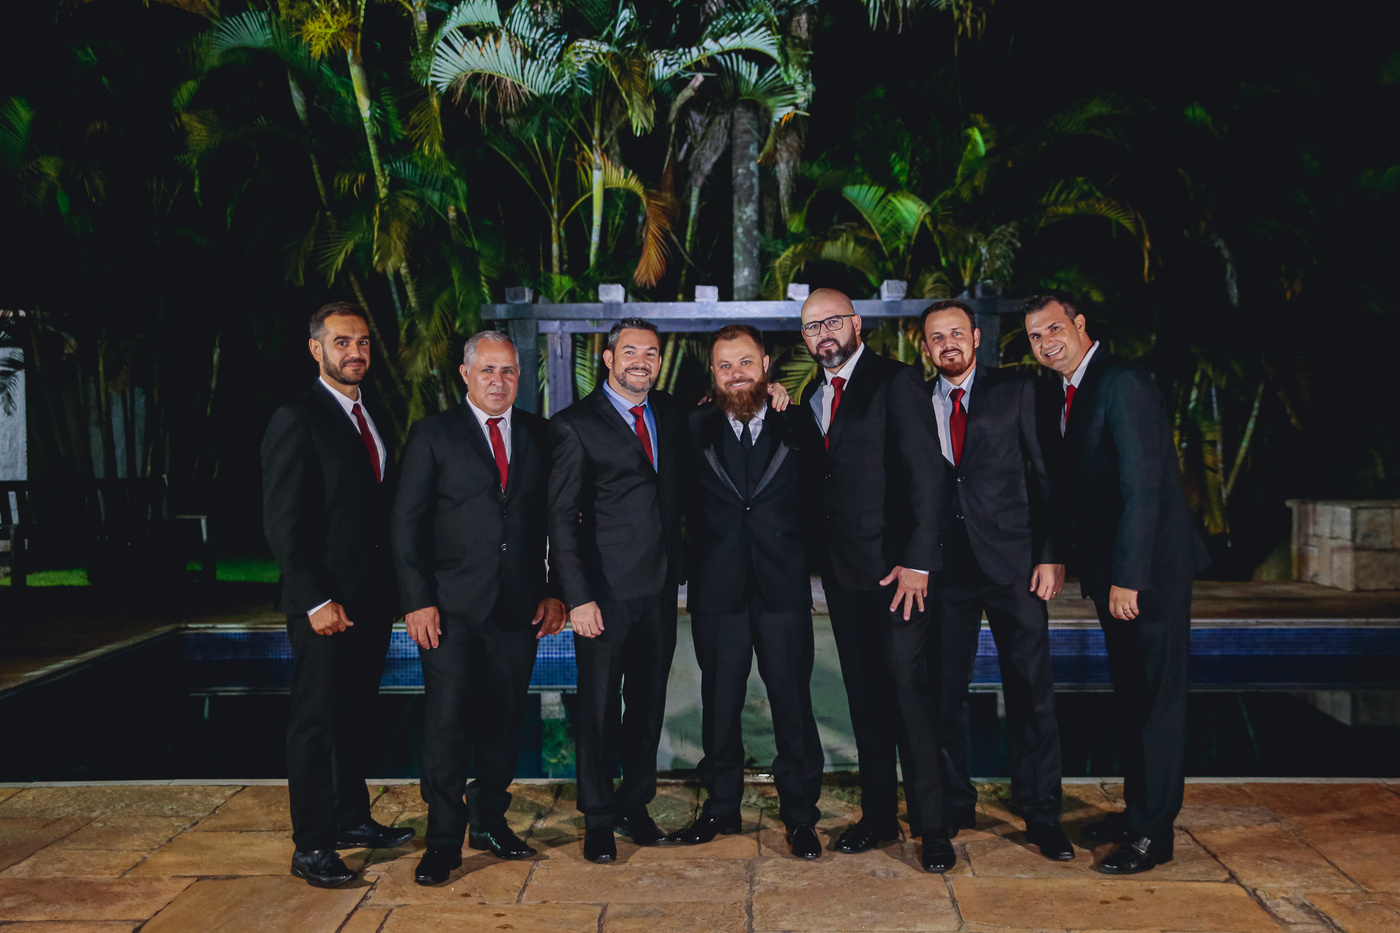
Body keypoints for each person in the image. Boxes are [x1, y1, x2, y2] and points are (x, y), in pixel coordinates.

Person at [1023, 293, 1210, 875]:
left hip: (1149, 573)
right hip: (1114, 574)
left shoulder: (1122, 382)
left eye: (1054, 328)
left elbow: (1143, 487)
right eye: (1035, 336)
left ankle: (1154, 834)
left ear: (1080, 325)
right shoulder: (1069, 391)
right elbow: (1072, 486)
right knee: (1132, 697)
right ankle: (1137, 813)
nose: (1046, 342)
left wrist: (1130, 577)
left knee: (1156, 703)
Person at [389, 330, 566, 886]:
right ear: (465, 374)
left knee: (504, 723)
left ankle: (490, 821)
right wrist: (417, 600)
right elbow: (405, 525)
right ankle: (443, 841)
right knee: (447, 726)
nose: (498, 380)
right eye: (487, 370)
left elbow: (558, 520)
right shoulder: (432, 434)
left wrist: (555, 590)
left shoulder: (539, 434)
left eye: (508, 370)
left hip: (518, 608)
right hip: (450, 610)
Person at [795, 288, 952, 872]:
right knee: (864, 699)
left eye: (832, 322)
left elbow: (928, 477)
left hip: (898, 575)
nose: (823, 334)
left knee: (909, 697)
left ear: (856, 324)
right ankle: (880, 817)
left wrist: (918, 562)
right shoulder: (812, 396)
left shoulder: (897, 381)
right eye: (812, 327)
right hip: (844, 575)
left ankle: (933, 829)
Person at [261, 301, 414, 888]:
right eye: (342, 342)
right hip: (325, 604)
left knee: (355, 716)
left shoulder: (372, 413)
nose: (355, 352)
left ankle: (351, 818)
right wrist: (315, 600)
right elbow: (284, 522)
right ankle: (312, 845)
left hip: (370, 599)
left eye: (363, 342)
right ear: (315, 349)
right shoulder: (296, 418)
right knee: (315, 723)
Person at [912, 300, 1072, 861]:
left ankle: (1042, 814)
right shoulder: (915, 400)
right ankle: (954, 804)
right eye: (937, 337)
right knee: (944, 696)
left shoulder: (1017, 391)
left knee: (1030, 692)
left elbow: (1048, 476)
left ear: (976, 338)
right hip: (946, 570)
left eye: (957, 333)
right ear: (925, 347)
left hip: (1014, 565)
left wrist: (1050, 555)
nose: (948, 344)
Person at [665, 324, 824, 859]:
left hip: (783, 587)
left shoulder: (797, 420)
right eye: (725, 365)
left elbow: (821, 492)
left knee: (792, 702)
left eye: (746, 363)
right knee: (720, 701)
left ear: (765, 364)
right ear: (713, 373)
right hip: (717, 588)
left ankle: (800, 815)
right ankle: (721, 807)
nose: (737, 374)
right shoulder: (692, 425)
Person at [547, 317, 683, 863]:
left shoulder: (669, 412)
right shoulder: (574, 425)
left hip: (660, 589)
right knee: (599, 710)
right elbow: (561, 519)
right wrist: (577, 597)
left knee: (647, 706)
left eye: (650, 353)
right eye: (630, 352)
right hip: (602, 595)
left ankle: (635, 804)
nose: (641, 362)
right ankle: (599, 819)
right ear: (608, 359)